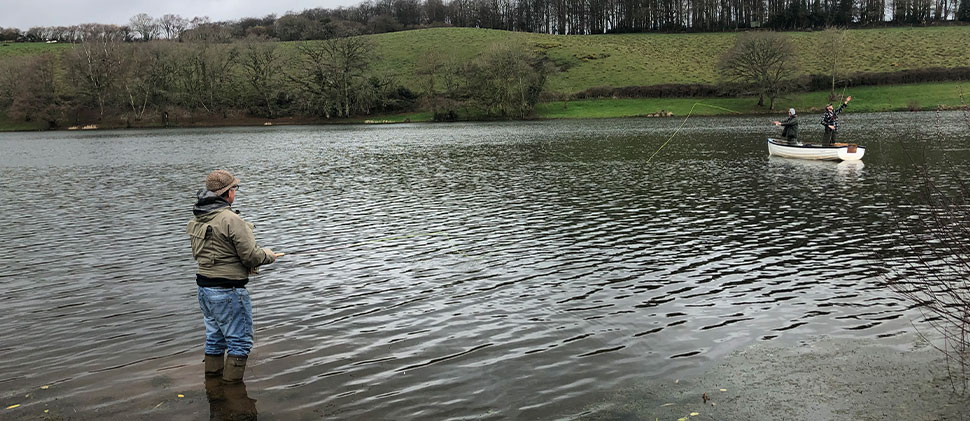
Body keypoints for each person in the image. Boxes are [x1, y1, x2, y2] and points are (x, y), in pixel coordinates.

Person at [187, 169, 283, 383]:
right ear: (227, 192)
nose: (235, 192)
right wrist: (269, 256)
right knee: (239, 343)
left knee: (215, 338)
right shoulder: (231, 219)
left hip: (204, 289)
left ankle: (213, 386)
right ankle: (231, 392)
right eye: (235, 188)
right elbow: (251, 256)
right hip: (228, 292)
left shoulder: (198, 217)